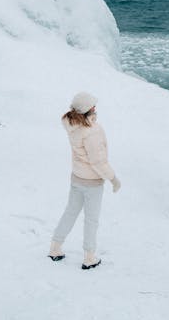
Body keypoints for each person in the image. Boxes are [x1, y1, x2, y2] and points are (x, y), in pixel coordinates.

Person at [48, 92, 121, 270]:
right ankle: (89, 257)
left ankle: (55, 247)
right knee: (91, 219)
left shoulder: (73, 125)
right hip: (92, 182)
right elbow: (97, 161)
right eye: (93, 106)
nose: (95, 107)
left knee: (70, 212)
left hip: (77, 178)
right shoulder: (91, 131)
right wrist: (113, 178)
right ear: (87, 110)